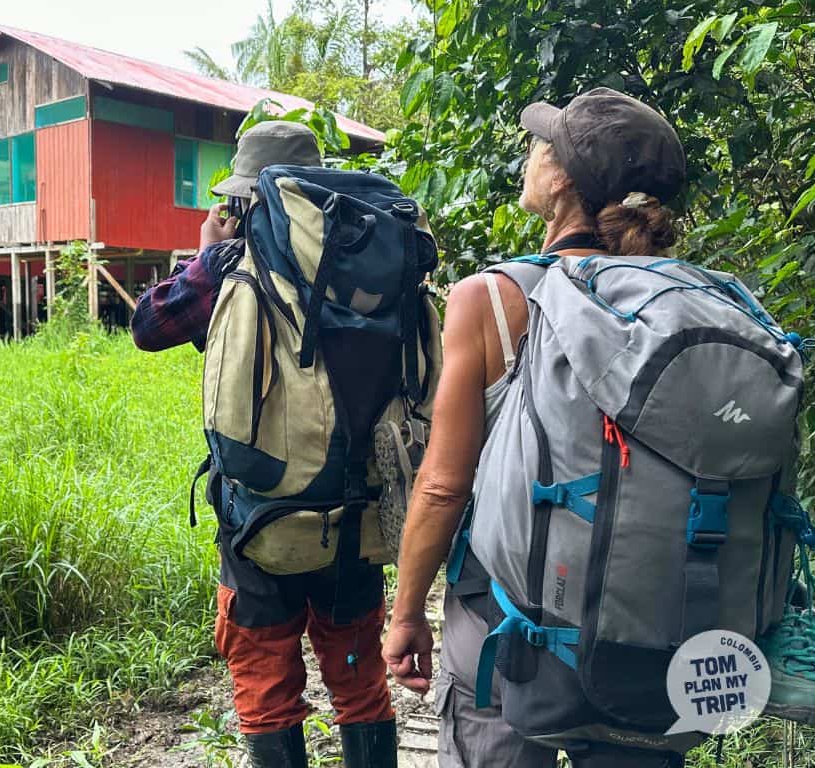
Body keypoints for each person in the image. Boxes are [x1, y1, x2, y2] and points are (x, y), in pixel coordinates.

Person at [382, 88, 688, 767]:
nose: (530, 155)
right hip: (652, 624)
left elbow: (442, 485)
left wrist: (406, 615)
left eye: (540, 146)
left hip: (509, 625)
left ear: (563, 182)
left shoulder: (492, 298)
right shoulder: (687, 302)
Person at [132, 120, 397, 768]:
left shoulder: (229, 263)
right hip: (353, 511)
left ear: (244, 197)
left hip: (260, 517)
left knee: (266, 691)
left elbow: (148, 324)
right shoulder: (370, 255)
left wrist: (204, 254)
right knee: (360, 684)